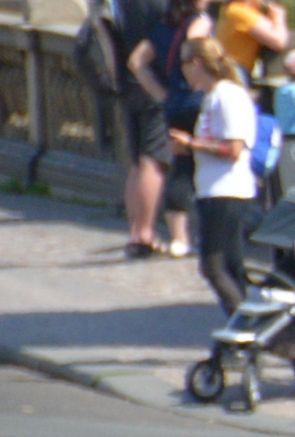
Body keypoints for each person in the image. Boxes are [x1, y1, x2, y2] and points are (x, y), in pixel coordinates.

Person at [170, 36, 255, 313]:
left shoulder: (227, 95)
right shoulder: (212, 97)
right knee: (231, 266)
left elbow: (234, 148)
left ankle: (243, 334)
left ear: (195, 63)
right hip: (212, 189)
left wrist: (191, 144)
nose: (180, 70)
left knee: (213, 266)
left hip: (227, 190)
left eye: (182, 63)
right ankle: (241, 336)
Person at [127, 0, 212, 258]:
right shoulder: (199, 21)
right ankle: (207, 233)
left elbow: (136, 61)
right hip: (197, 102)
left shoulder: (164, 25)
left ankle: (179, 237)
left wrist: (161, 94)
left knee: (181, 168)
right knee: (207, 167)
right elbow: (195, 50)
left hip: (174, 105)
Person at [111, 0, 173, 258]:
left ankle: (136, 233)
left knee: (138, 162)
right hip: (153, 81)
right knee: (153, 161)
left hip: (130, 84)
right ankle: (145, 234)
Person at [213, 0, 286, 80]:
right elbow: (278, 42)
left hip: (226, 69)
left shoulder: (230, 9)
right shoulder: (241, 12)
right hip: (235, 71)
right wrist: (279, 18)